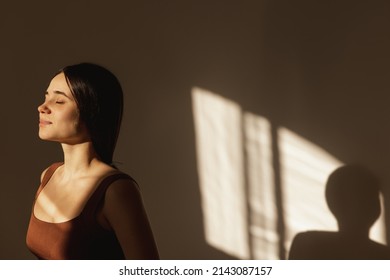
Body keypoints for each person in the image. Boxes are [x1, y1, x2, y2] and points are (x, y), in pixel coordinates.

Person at [26, 63, 159, 260]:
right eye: (46, 97)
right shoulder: (48, 175)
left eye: (59, 101)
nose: (42, 107)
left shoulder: (115, 190)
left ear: (92, 110)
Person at [288, 165, 390, 259]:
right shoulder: (308, 245)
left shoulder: (307, 244)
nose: (370, 203)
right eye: (365, 196)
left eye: (373, 197)